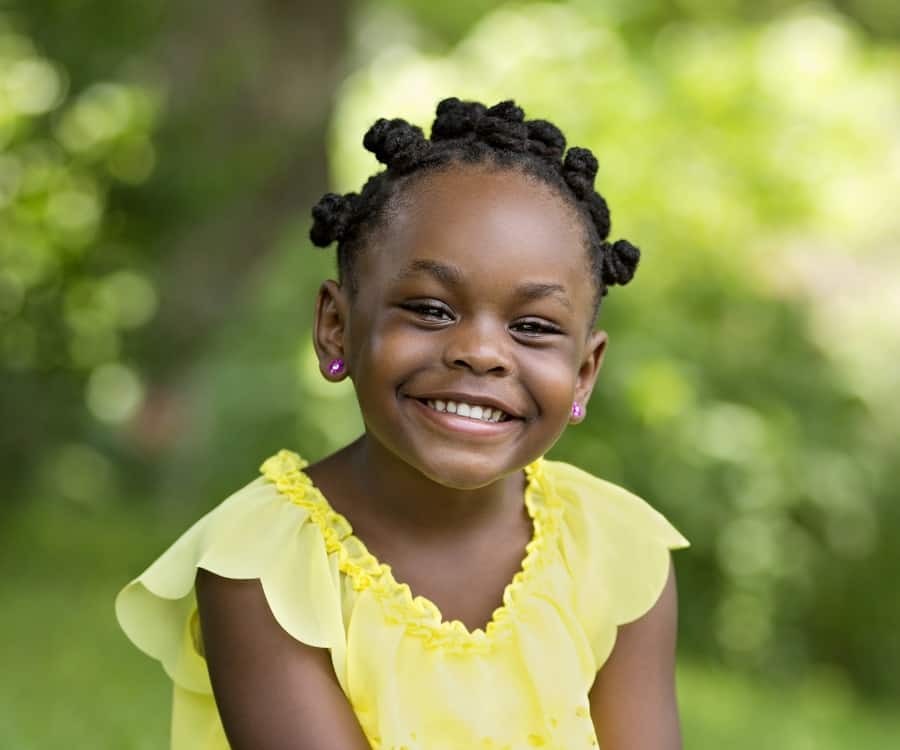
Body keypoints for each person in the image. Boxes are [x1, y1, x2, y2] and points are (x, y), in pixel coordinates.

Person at [115, 97, 690, 750]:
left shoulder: (618, 549)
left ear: (584, 373)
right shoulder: (260, 568)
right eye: (430, 309)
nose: (479, 351)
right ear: (337, 327)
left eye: (532, 326)